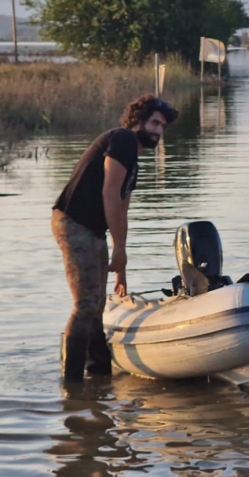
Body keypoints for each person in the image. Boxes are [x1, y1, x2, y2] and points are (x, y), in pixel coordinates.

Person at [52, 95, 178, 382]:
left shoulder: (133, 162)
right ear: (137, 121)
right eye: (155, 122)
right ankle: (72, 386)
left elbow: (122, 210)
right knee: (86, 305)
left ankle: (98, 376)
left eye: (163, 127)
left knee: (96, 305)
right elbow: (109, 193)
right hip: (73, 223)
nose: (159, 131)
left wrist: (120, 266)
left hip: (93, 230)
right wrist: (117, 247)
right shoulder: (122, 139)